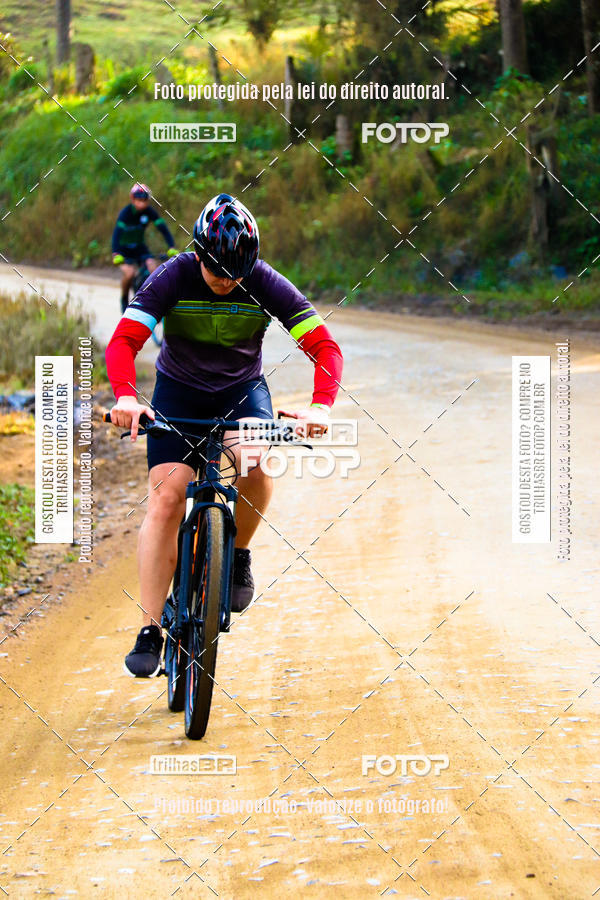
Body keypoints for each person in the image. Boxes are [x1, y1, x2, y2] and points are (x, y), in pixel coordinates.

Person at [105, 193, 344, 677]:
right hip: (178, 394)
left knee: (254, 461)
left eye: (236, 274)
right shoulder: (173, 275)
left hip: (241, 392)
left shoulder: (262, 280)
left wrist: (321, 406)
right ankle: (150, 627)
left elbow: (324, 346)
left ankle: (236, 557)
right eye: (217, 274)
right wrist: (127, 396)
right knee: (167, 500)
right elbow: (124, 340)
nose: (227, 283)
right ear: (197, 255)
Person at [112, 183, 178, 313]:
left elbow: (163, 229)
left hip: (140, 248)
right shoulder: (125, 213)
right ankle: (124, 298)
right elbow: (116, 235)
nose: (141, 203)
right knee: (130, 273)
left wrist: (171, 246)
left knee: (154, 270)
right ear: (132, 199)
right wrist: (116, 253)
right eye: (138, 200)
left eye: (144, 200)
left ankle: (153, 300)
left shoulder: (149, 212)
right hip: (123, 250)